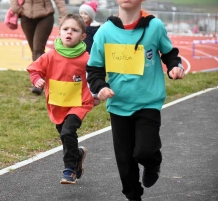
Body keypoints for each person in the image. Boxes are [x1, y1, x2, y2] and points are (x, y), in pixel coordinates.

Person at [86, 0, 185, 200]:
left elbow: (169, 53)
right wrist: (101, 87)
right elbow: (94, 69)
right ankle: (133, 196)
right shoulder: (105, 32)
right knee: (124, 160)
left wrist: (175, 66)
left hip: (148, 101)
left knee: (144, 151)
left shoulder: (154, 26)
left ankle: (152, 163)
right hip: (118, 104)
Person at [27, 14, 95, 184]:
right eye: (66, 29)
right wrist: (37, 80)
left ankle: (69, 169)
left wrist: (97, 92)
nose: (69, 32)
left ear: (83, 36)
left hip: (80, 103)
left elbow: (96, 75)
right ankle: (77, 154)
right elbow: (34, 70)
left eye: (74, 30)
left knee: (68, 132)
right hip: (58, 103)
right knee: (65, 135)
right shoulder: (50, 55)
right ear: (59, 33)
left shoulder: (87, 59)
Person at [10, 0, 67, 95]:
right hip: (26, 17)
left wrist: (63, 16)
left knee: (38, 49)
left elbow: (59, 1)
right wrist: (18, 10)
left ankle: (38, 83)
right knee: (34, 51)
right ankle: (42, 77)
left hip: (45, 17)